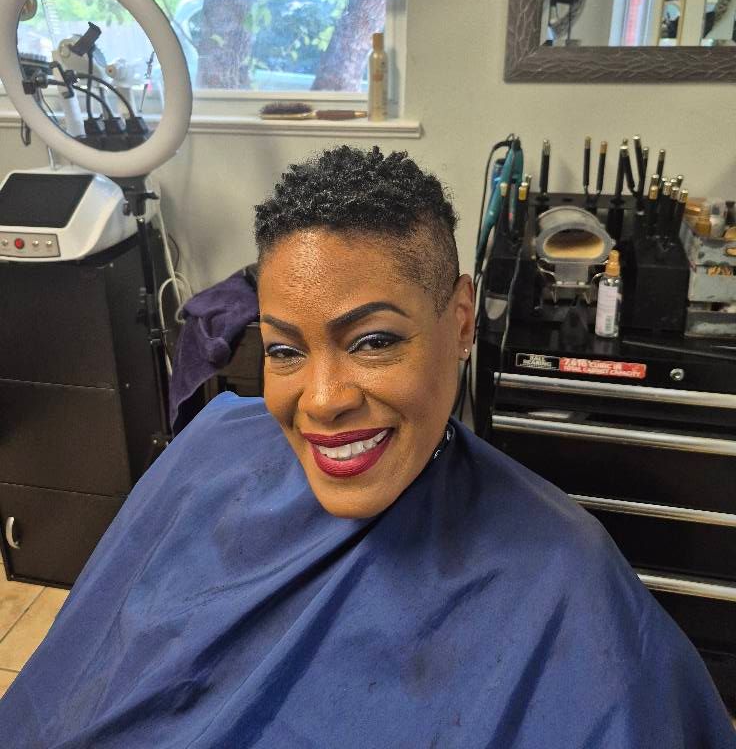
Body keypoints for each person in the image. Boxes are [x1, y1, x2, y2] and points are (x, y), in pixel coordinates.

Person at [1, 146, 734, 748]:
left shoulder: (565, 579)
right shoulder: (215, 448)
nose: (321, 401)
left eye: (374, 341)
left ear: (461, 319)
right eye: (285, 350)